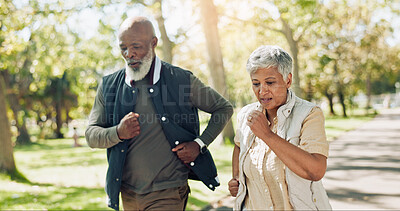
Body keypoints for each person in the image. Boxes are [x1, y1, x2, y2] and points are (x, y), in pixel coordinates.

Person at [85, 16, 233, 210]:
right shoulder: (109, 86)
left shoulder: (180, 80)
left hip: (168, 192)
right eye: (123, 48)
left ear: (153, 43)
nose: (129, 54)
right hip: (127, 194)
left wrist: (199, 144)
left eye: (136, 46)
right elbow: (91, 136)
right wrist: (118, 133)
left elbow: (223, 108)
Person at [228, 45, 331, 210]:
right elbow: (238, 146)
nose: (262, 91)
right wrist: (236, 178)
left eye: (270, 82)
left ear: (288, 80)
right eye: (256, 83)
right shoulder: (246, 115)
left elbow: (316, 170)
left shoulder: (309, 114)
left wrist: (267, 135)